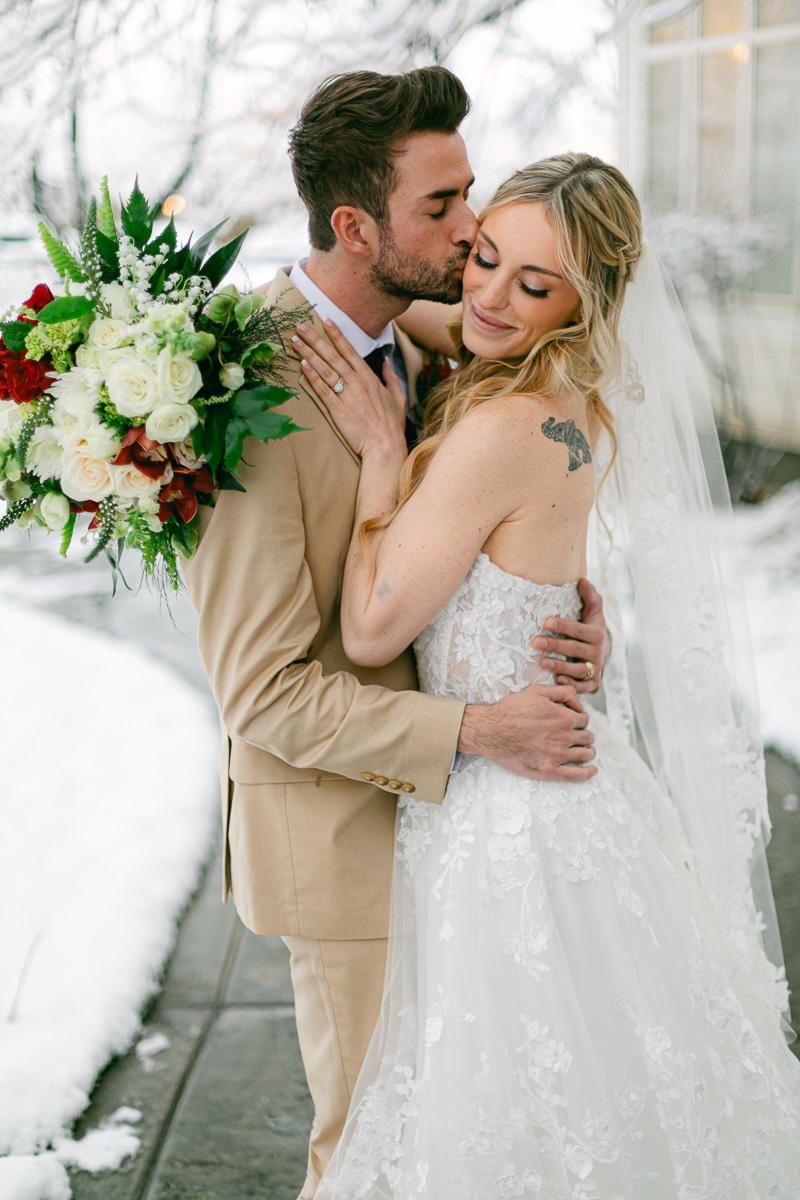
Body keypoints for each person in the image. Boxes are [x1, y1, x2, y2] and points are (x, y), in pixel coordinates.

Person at [294, 153, 800, 1197]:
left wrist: (384, 465)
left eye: (533, 285)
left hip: (508, 823)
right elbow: (418, 323)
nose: (484, 296)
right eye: (482, 258)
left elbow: (375, 624)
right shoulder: (573, 398)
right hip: (575, 793)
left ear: (588, 301)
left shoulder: (499, 427)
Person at [182, 70, 611, 1199]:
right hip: (347, 852)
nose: (470, 229)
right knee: (375, 1158)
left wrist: (558, 621)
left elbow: (482, 533)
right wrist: (480, 726)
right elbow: (263, 694)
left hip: (467, 837)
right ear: (354, 225)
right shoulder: (251, 393)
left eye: (467, 193)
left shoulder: (422, 345)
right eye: (442, 208)